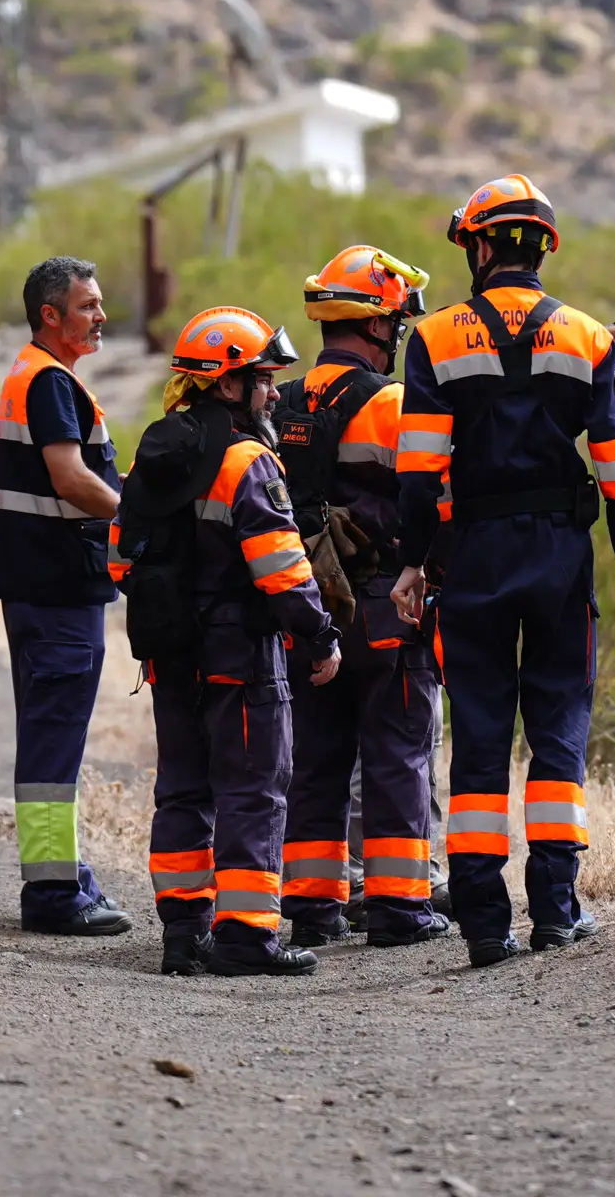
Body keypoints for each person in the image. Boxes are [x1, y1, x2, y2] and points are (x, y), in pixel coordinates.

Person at [390, 175, 615, 967]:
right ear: (542, 248)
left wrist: (413, 561)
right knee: (558, 733)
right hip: (558, 559)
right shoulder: (587, 338)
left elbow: (416, 473)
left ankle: (481, 923)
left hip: (471, 555)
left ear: (477, 246)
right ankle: (555, 909)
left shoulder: (433, 340)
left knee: (477, 736)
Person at [120, 305, 342, 977]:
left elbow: (118, 559)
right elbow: (281, 569)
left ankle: (183, 935)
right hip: (241, 656)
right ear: (225, 384)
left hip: (170, 656)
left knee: (182, 790)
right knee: (253, 791)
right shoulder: (249, 460)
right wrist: (320, 636)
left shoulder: (153, 449)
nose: (275, 392)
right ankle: (246, 937)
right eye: (263, 379)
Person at [273, 244, 452, 950]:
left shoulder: (277, 400)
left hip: (306, 617)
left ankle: (314, 910)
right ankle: (400, 908)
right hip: (385, 609)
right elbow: (434, 502)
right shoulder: (393, 403)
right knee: (398, 757)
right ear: (378, 325)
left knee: (314, 763)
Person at [0, 255, 132, 937]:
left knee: (51, 739)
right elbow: (70, 478)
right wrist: (134, 520)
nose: (100, 317)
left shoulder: (37, 377)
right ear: (51, 314)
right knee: (53, 742)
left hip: (43, 588)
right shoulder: (48, 382)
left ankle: (63, 876)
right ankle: (52, 894)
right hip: (57, 590)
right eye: (89, 306)